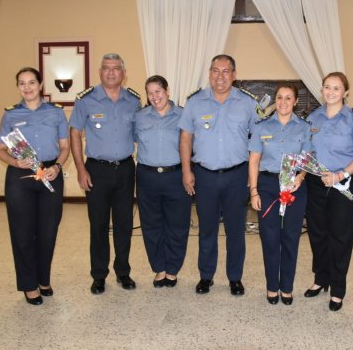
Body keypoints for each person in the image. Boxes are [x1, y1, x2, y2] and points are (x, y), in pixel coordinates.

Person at [178, 54, 259, 296]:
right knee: (207, 229)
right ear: (209, 73)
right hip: (204, 176)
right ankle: (206, 276)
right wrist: (185, 170)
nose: (220, 76)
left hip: (237, 175)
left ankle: (235, 277)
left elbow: (258, 140)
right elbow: (185, 138)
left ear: (234, 75)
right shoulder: (194, 102)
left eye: (226, 71)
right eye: (216, 70)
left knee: (236, 229)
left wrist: (252, 175)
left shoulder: (247, 103)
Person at [0, 67, 69, 305]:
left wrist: (57, 166)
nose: (27, 88)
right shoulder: (10, 115)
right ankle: (29, 285)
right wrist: (14, 161)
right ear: (18, 87)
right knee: (23, 234)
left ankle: (43, 279)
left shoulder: (56, 113)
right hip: (20, 177)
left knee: (48, 232)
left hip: (50, 174)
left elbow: (65, 147)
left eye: (31, 83)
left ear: (40, 85)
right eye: (22, 83)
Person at [69, 53, 141, 295]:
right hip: (96, 170)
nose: (111, 72)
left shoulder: (133, 101)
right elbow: (75, 134)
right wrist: (80, 168)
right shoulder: (86, 100)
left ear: (124, 73)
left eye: (116, 68)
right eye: (107, 68)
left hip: (125, 169)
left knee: (124, 224)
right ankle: (99, 275)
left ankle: (123, 272)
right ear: (100, 72)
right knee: (98, 225)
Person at [303, 72, 353, 312]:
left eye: (336, 88)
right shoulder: (313, 118)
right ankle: (321, 279)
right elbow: (306, 152)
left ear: (345, 92)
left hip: (343, 184)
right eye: (327, 87)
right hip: (316, 183)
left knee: (340, 237)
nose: (331, 92)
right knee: (318, 234)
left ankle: (338, 289)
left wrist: (341, 175)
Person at [248, 83, 311, 305]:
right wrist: (254, 191)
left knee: (291, 238)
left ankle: (287, 287)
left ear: (295, 101)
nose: (283, 102)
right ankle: (272, 286)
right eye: (280, 98)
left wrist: (300, 177)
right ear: (275, 101)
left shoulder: (303, 127)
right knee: (270, 238)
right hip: (268, 185)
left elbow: (306, 160)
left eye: (288, 98)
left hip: (294, 186)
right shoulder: (261, 126)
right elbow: (254, 161)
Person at [135, 75, 191, 288]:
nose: (154, 96)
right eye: (150, 93)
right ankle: (159, 268)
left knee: (177, 224)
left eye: (158, 91)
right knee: (151, 225)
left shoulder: (183, 115)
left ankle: (173, 268)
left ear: (167, 91)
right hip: (147, 176)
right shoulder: (139, 117)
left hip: (175, 175)